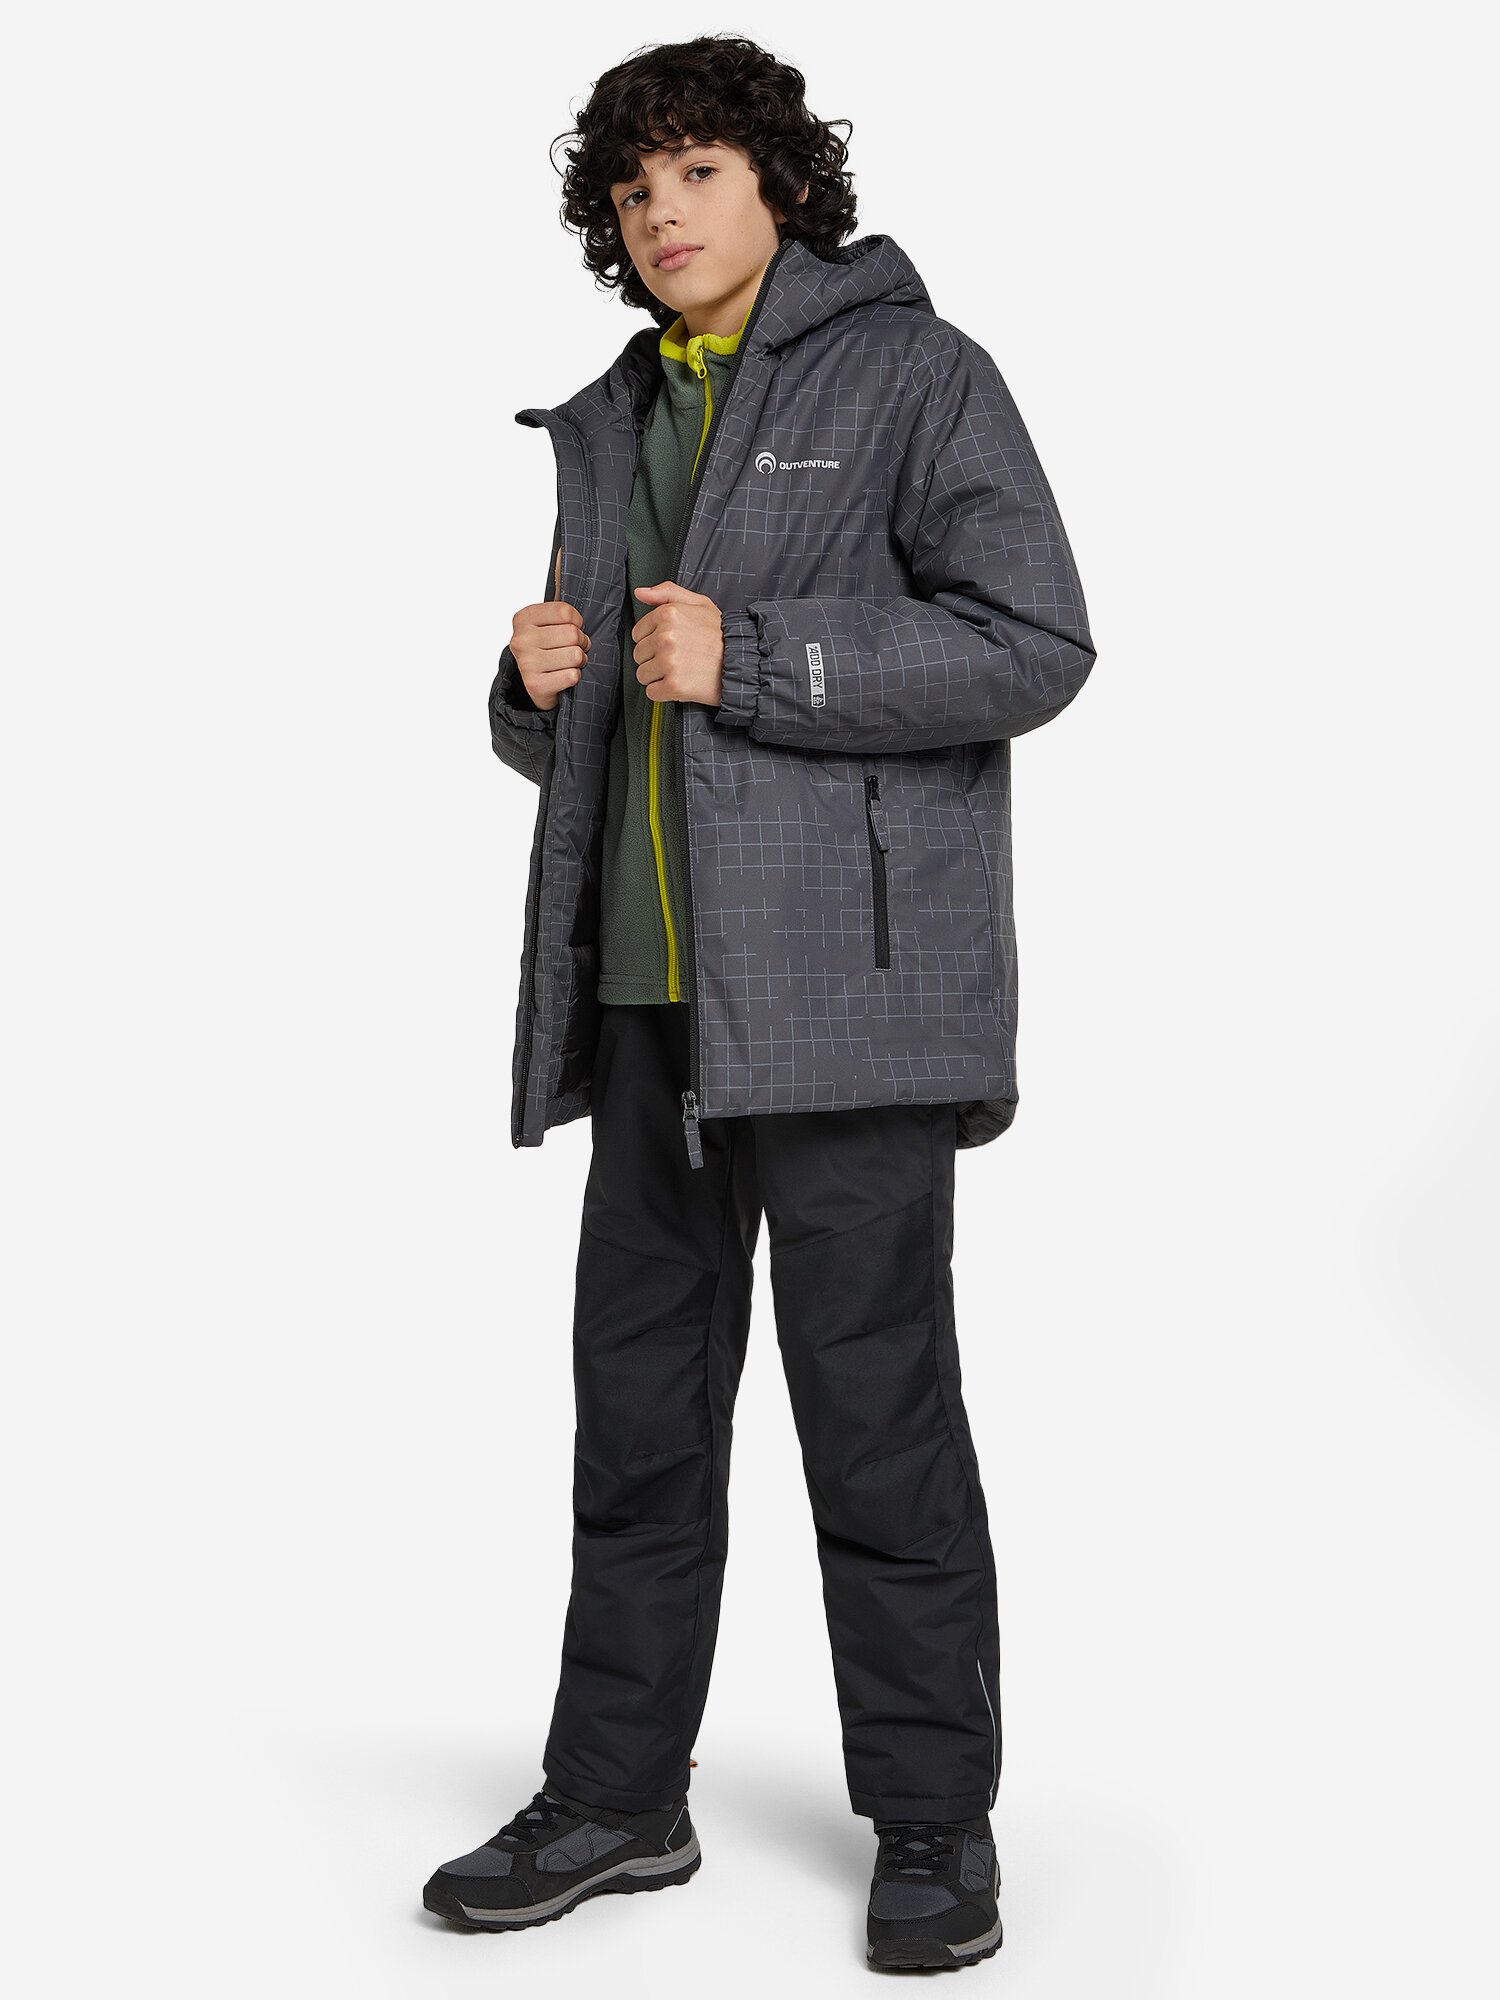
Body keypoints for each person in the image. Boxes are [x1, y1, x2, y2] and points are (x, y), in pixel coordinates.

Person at [423, 33, 1094, 1972]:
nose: (663, 215)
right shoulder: (618, 414)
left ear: (782, 184)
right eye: (633, 193)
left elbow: (1033, 644)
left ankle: (935, 1819)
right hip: (650, 1001)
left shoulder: (917, 374)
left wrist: (765, 655)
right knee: (637, 1423)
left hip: (847, 1007)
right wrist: (530, 691)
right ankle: (619, 1795)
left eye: (698, 173)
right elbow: (609, 737)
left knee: (876, 1421)